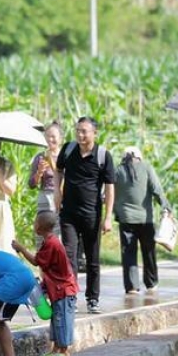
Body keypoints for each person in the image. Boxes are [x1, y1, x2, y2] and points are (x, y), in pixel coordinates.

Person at [54, 116, 115, 314]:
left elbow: (110, 188)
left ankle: (92, 299)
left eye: (84, 131)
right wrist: (57, 190)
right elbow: (58, 170)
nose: (80, 135)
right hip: (69, 214)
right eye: (78, 130)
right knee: (69, 256)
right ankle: (70, 296)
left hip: (92, 215)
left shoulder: (103, 155)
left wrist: (107, 218)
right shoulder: (69, 149)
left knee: (92, 259)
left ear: (94, 133)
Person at [11, 211, 79, 356]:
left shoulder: (51, 244)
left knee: (63, 321)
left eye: (35, 223)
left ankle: (65, 351)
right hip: (57, 289)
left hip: (64, 290)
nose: (34, 225)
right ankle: (55, 349)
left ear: (40, 227)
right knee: (55, 320)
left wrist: (21, 248)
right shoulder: (49, 242)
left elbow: (36, 261)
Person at [112, 146, 171, 294]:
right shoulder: (147, 167)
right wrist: (166, 206)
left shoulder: (118, 170)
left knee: (128, 254)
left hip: (126, 219)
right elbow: (157, 189)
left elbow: (107, 193)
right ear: (139, 157)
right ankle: (151, 283)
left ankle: (132, 287)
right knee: (149, 252)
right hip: (146, 219)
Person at [28, 121, 63, 246]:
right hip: (44, 197)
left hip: (61, 197)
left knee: (59, 232)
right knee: (43, 230)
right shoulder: (40, 157)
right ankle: (43, 259)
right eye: (47, 136)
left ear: (60, 139)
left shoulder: (65, 156)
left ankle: (58, 261)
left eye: (53, 136)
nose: (50, 139)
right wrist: (39, 173)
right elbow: (31, 184)